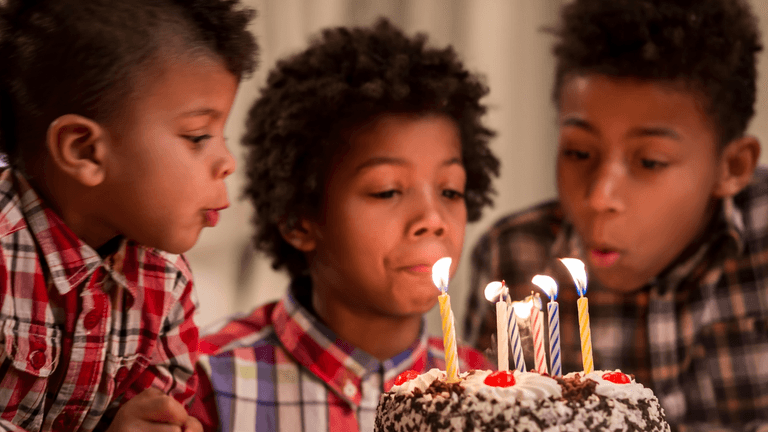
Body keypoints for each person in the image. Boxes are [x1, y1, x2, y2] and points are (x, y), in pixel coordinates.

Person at [464, 0, 768, 431]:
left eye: (649, 161)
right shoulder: (513, 256)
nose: (599, 196)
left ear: (732, 166)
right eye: (579, 152)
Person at [189, 18, 500, 432]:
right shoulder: (206, 382)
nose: (432, 220)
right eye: (387, 191)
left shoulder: (490, 389)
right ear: (299, 220)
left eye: (451, 191)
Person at [0, 0, 257, 431]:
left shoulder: (167, 281)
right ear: (84, 150)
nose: (228, 162)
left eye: (221, 136)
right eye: (197, 136)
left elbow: (155, 406)